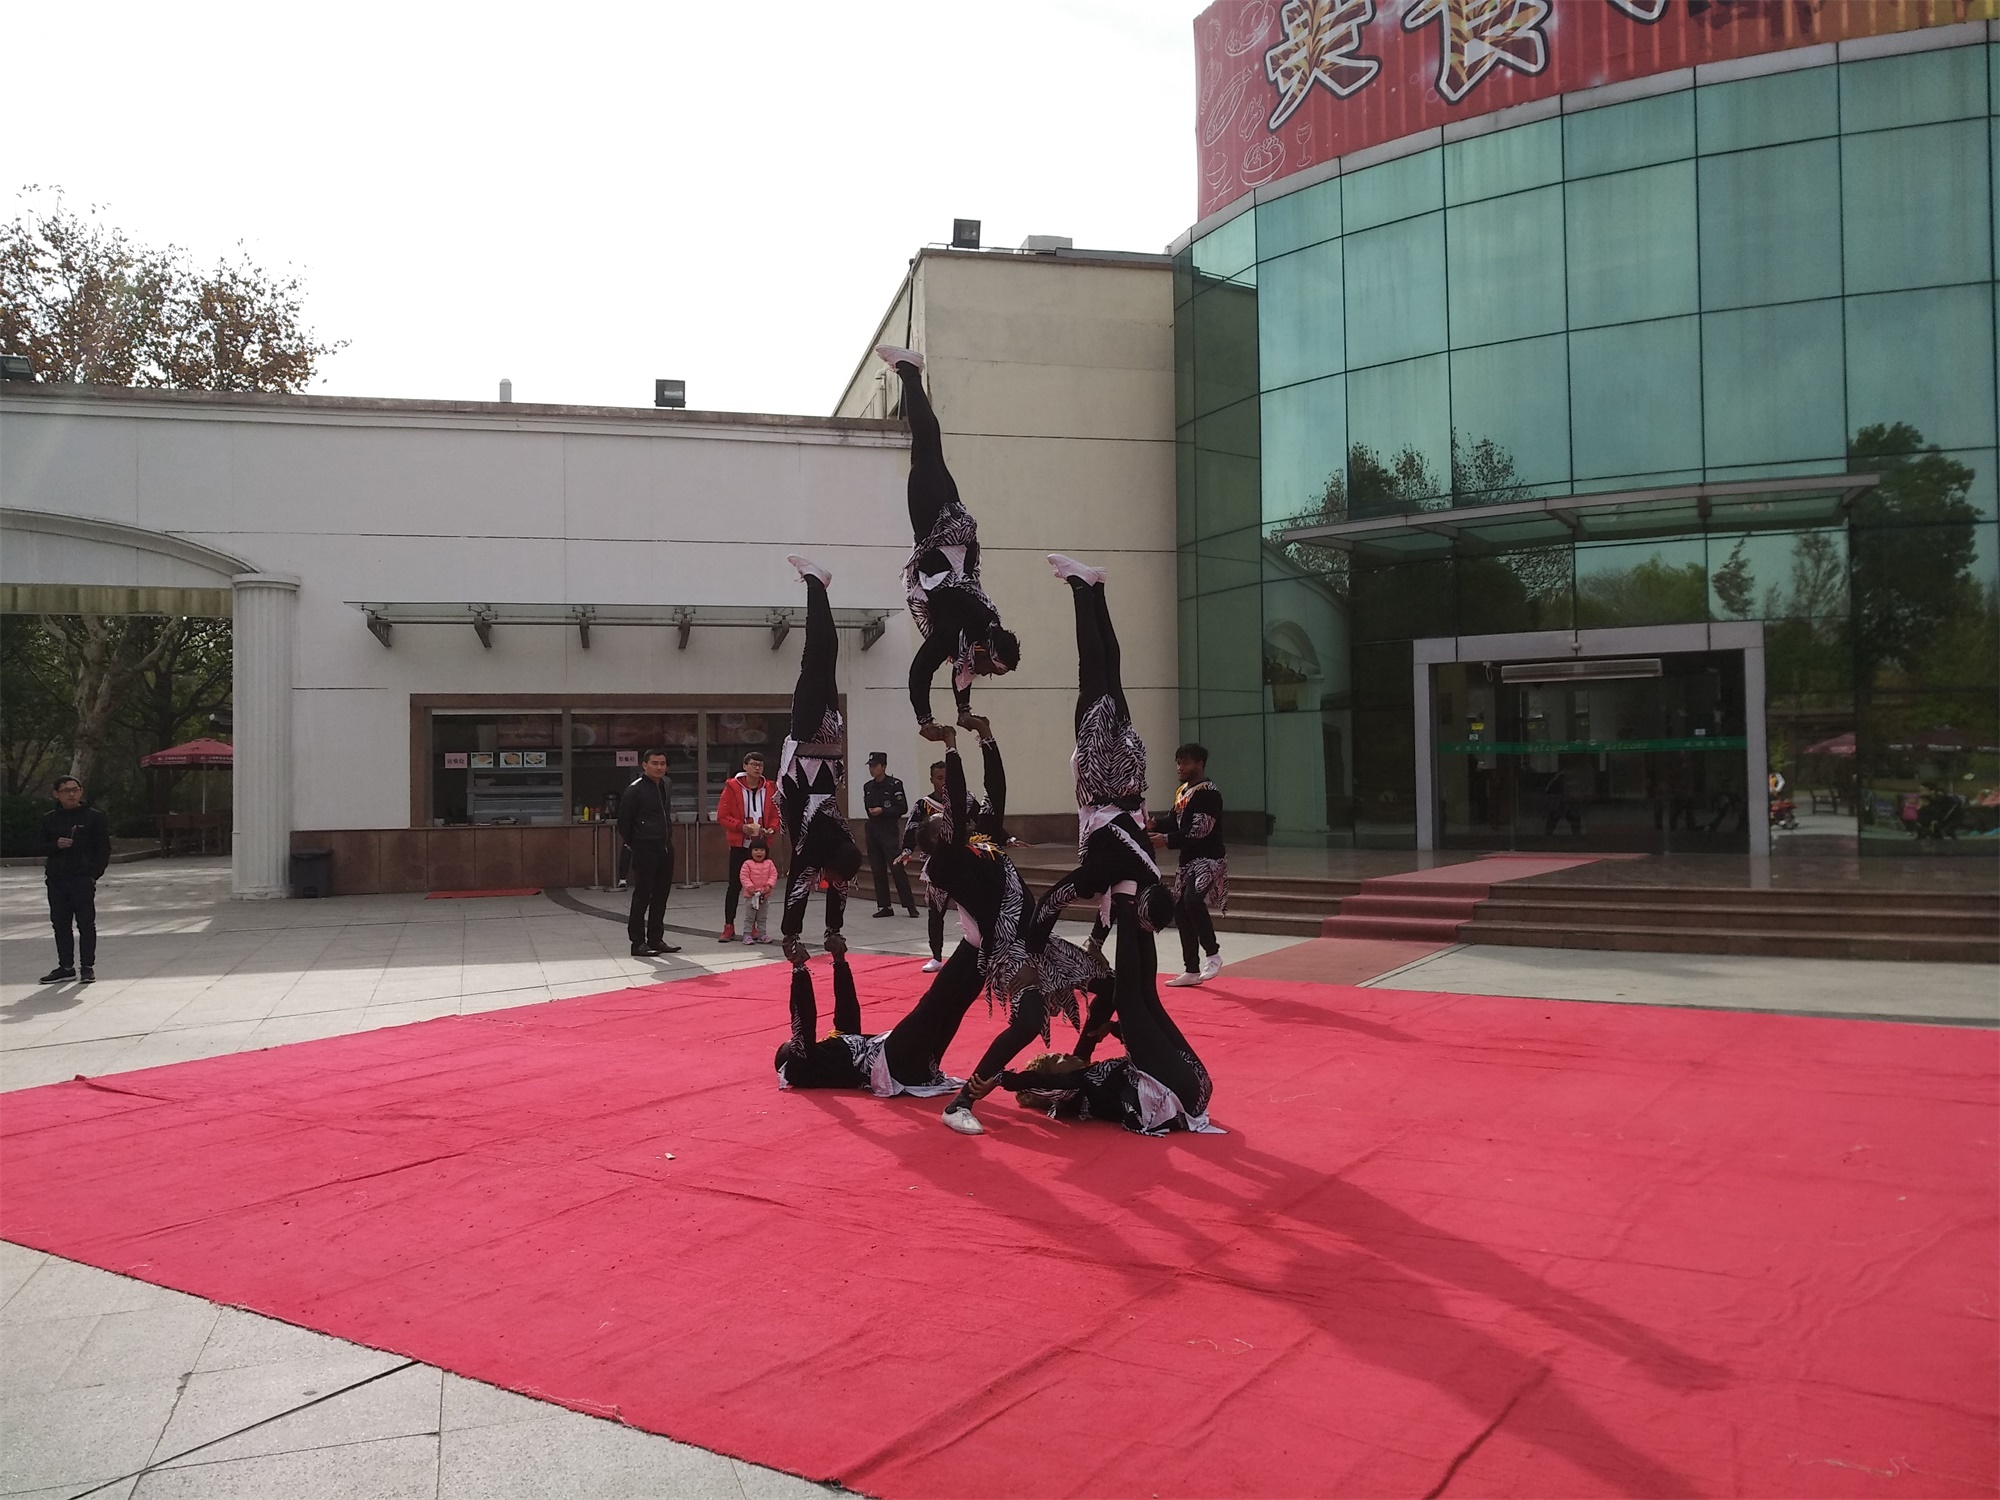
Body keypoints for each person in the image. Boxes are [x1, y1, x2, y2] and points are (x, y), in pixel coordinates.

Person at [913, 723, 1104, 1137]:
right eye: (940, 824)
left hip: (1038, 941)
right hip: (1009, 953)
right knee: (1027, 1021)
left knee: (1107, 983)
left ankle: (1087, 1061)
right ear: (936, 842)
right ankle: (961, 1102)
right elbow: (955, 816)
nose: (948, 819)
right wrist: (951, 747)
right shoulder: (946, 866)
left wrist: (987, 738)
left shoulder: (980, 841)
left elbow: (995, 790)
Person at [875, 345, 1020, 737]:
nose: (983, 671)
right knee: (923, 452)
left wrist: (963, 710)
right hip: (938, 531)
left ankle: (910, 373)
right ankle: (908, 371)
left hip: (958, 532)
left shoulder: (984, 625)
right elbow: (919, 671)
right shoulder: (957, 627)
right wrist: (924, 721)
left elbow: (963, 669)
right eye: (990, 666)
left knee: (931, 450)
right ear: (988, 649)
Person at [1021, 555, 1158, 965]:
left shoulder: (1144, 870)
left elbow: (1111, 911)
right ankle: (1082, 587)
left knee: (1112, 671)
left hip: (1128, 764)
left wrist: (1096, 944)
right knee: (1093, 669)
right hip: (1103, 770)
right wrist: (1031, 954)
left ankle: (1096, 588)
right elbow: (1049, 903)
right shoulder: (1102, 870)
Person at [1002, 888, 1222, 1137]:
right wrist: (1004, 1080)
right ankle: (1126, 905)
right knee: (1128, 999)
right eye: (1056, 1060)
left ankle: (1142, 918)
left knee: (1148, 998)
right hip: (1170, 1094)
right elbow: (1040, 1083)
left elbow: (1149, 1052)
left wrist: (1116, 1029)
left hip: (1193, 1085)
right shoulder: (1072, 1090)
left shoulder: (1087, 1076)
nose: (1063, 1053)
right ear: (1049, 1083)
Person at [777, 555, 866, 961]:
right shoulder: (828, 843)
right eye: (834, 878)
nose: (833, 884)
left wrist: (802, 938)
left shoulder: (828, 852)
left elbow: (799, 887)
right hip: (821, 734)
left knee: (820, 655)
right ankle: (817, 583)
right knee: (821, 654)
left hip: (816, 742)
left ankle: (816, 583)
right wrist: (823, 933)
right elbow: (809, 886)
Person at [773, 940, 985, 1097]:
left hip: (907, 1064)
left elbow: (847, 1012)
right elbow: (803, 1022)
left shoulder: (831, 1050)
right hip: (891, 1064)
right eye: (791, 1044)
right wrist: (798, 968)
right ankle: (975, 943)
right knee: (934, 1002)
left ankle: (983, 950)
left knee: (954, 1006)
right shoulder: (803, 1064)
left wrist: (840, 962)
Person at [1154, 742, 1228, 987]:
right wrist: (1153, 825)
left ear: (1199, 763)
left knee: (1193, 901)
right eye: (1178, 762)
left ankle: (1213, 954)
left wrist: (1165, 840)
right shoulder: (1183, 791)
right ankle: (1192, 969)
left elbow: (1200, 829)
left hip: (1209, 859)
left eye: (1185, 762)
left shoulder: (1208, 793)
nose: (1180, 767)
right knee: (1181, 909)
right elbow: (1175, 821)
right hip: (1188, 860)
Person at [905, 759, 976, 974]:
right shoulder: (923, 804)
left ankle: (981, 952)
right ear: (932, 780)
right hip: (937, 866)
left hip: (965, 863)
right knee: (936, 912)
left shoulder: (967, 800)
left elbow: (984, 822)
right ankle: (936, 956)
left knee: (974, 909)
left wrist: (1006, 839)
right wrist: (907, 850)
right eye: (939, 779)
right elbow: (912, 828)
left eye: (948, 779)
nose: (944, 783)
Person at [39, 775, 110, 985]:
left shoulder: (94, 817)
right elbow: (38, 846)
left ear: (81, 791)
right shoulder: (49, 819)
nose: (71, 794)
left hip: (82, 879)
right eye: (65, 790)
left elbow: (103, 848)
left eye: (74, 789)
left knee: (86, 923)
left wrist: (93, 874)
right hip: (57, 879)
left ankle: (87, 966)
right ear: (56, 794)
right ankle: (65, 967)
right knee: (60, 924)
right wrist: (55, 845)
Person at [615, 750, 681, 956]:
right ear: (644, 765)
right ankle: (637, 942)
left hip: (664, 847)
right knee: (643, 895)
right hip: (645, 849)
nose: (659, 767)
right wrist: (636, 843)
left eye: (662, 763)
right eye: (654, 763)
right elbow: (623, 822)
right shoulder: (635, 790)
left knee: (661, 895)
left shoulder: (665, 785)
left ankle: (656, 938)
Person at [716, 752, 780, 942]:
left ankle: (753, 926)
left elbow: (776, 814)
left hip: (760, 845)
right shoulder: (732, 787)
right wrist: (740, 827)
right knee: (735, 885)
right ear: (745, 766)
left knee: (759, 886)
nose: (757, 768)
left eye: (760, 765)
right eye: (753, 764)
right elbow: (722, 815)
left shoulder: (769, 787)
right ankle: (729, 925)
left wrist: (772, 828)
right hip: (739, 844)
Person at [862, 752, 918, 919]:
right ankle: (884, 905)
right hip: (873, 830)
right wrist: (874, 812)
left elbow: (902, 808)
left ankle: (910, 905)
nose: (872, 769)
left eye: (875, 766)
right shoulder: (868, 787)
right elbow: (868, 807)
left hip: (888, 830)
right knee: (877, 869)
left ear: (883, 767)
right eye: (870, 766)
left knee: (896, 868)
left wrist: (883, 811)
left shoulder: (894, 784)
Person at [737, 837, 779, 944]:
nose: (759, 852)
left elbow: (773, 875)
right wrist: (749, 887)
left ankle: (762, 934)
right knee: (749, 917)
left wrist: (769, 885)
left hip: (764, 896)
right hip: (751, 896)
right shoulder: (747, 864)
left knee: (762, 917)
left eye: (762, 850)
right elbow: (744, 876)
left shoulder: (769, 863)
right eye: (756, 850)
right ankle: (747, 935)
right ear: (751, 852)